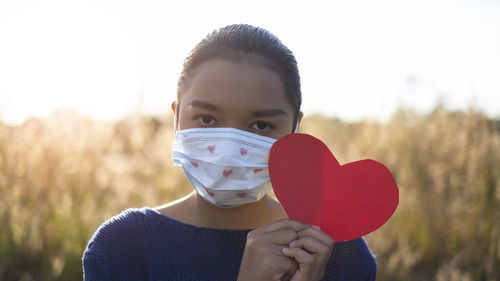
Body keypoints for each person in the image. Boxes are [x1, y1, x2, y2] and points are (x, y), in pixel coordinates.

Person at [82, 24, 376, 281]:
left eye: (261, 125)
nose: (229, 150)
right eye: (207, 119)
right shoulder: (122, 248)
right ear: (177, 117)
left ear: (294, 129)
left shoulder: (336, 252)